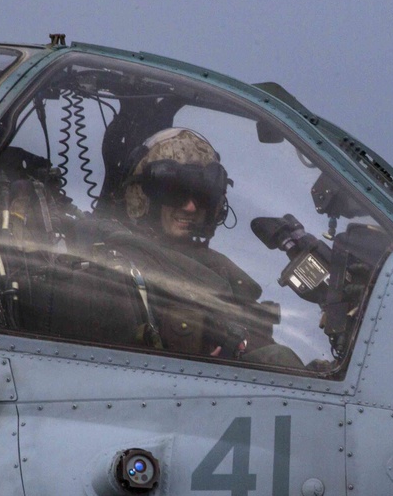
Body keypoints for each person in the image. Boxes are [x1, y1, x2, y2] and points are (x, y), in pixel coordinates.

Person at [116, 127, 301, 366]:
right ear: (145, 197)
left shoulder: (220, 271)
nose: (190, 207)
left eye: (202, 195)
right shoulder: (120, 265)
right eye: (175, 193)